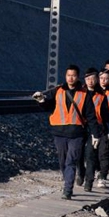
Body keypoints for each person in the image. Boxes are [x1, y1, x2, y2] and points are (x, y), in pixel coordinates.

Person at [32, 65, 101, 200]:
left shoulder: (84, 94)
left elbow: (91, 116)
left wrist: (95, 134)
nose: (71, 78)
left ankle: (67, 189)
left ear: (78, 77)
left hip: (77, 133)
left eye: (73, 75)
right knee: (63, 161)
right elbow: (48, 106)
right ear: (65, 76)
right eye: (68, 75)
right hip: (59, 132)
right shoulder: (57, 91)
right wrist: (41, 100)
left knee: (71, 161)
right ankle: (67, 181)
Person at [78, 67, 109, 192]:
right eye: (88, 79)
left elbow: (106, 115)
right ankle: (81, 172)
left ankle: (89, 181)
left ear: (97, 80)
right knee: (78, 154)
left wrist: (108, 132)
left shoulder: (101, 96)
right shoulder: (79, 93)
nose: (90, 81)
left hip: (95, 128)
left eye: (93, 79)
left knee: (91, 155)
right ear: (84, 80)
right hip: (80, 127)